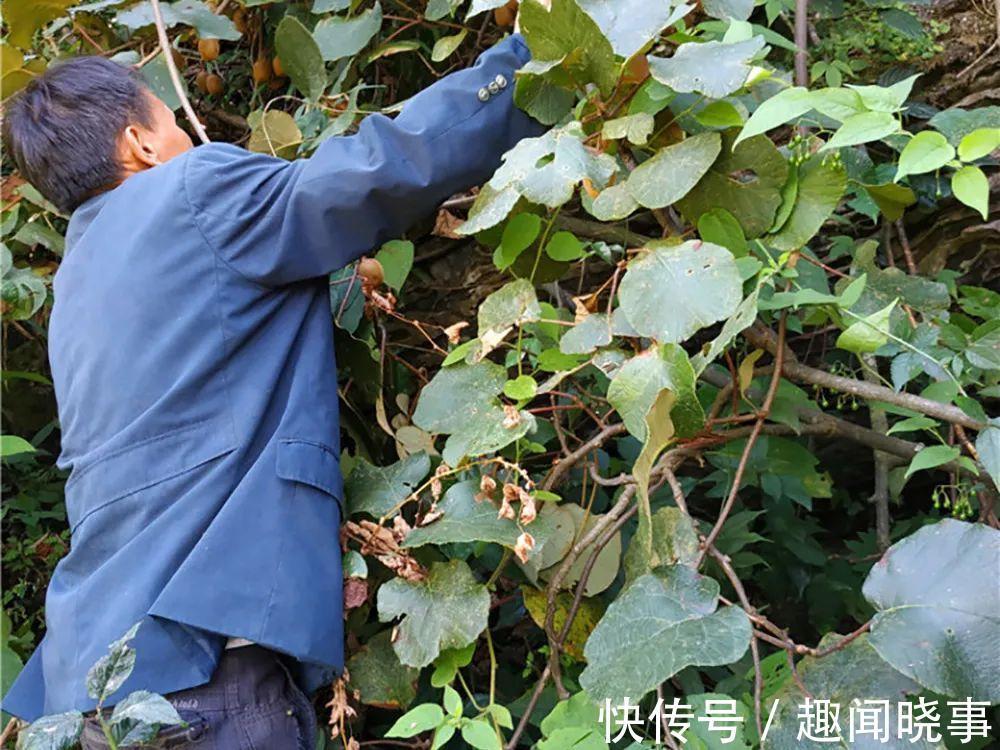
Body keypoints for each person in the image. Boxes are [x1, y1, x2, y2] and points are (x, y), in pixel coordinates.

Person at [1, 12, 546, 748]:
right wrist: (535, 61)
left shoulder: (73, 287)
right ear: (140, 144)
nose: (191, 141)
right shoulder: (190, 191)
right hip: (201, 686)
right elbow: (373, 173)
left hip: (89, 691)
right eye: (176, 125)